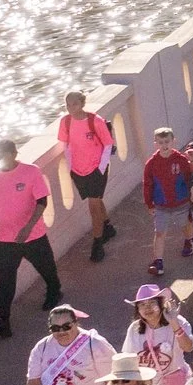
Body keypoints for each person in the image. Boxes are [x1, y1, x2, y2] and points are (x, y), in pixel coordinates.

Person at [0, 139, 62, 338]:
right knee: (6, 279)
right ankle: (3, 319)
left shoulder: (31, 171)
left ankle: (54, 292)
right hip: (6, 237)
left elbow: (42, 201)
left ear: (13, 153)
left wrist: (29, 227)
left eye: (0, 155)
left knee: (46, 267)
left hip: (33, 235)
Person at [54, 93, 118, 264]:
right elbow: (66, 145)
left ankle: (97, 244)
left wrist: (101, 168)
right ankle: (107, 227)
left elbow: (107, 144)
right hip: (78, 170)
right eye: (68, 105)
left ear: (82, 103)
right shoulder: (65, 122)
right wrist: (71, 167)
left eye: (74, 104)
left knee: (93, 206)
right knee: (95, 200)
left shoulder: (95, 121)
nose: (71, 108)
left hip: (96, 170)